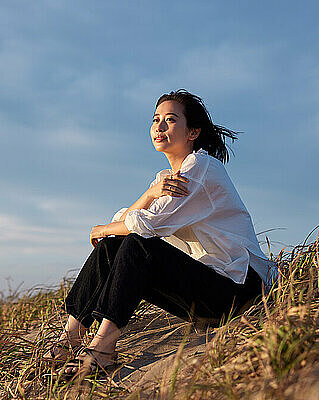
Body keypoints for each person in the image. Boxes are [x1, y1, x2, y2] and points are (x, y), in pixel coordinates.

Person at [44, 89, 277, 379]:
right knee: (113, 247)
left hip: (240, 290)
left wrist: (101, 229)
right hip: (207, 291)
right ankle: (70, 339)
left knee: (136, 245)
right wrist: (148, 194)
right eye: (156, 120)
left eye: (170, 120)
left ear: (193, 132)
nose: (159, 127)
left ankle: (102, 349)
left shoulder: (202, 167)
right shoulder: (165, 180)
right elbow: (129, 223)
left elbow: (145, 226)